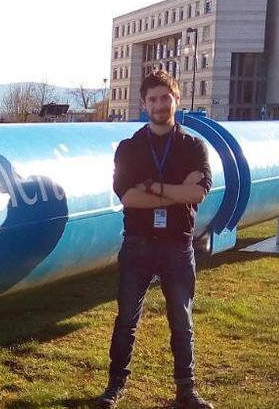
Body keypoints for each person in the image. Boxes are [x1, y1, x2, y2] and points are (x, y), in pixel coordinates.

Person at [98, 70, 214, 409]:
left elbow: (199, 191)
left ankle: (186, 390)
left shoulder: (193, 146)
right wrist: (177, 194)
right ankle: (115, 385)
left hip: (178, 243)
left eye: (166, 98)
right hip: (138, 242)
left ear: (176, 100)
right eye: (153, 99)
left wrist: (154, 188)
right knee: (126, 320)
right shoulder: (130, 147)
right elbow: (129, 198)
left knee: (182, 319)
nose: (160, 105)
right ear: (143, 104)